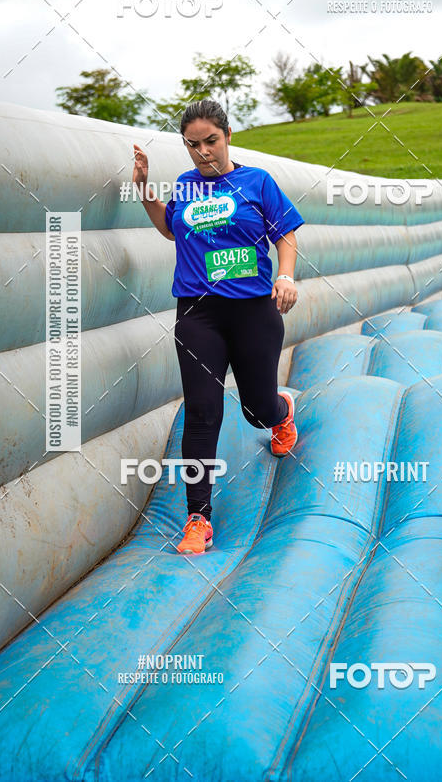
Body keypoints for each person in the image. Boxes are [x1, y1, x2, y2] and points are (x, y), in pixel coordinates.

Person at [132, 99, 304, 555]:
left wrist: (284, 276)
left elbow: (284, 233)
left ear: (228, 136)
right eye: (194, 144)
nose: (204, 151)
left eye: (212, 141)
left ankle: (281, 412)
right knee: (203, 411)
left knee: (256, 411)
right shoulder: (186, 188)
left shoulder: (257, 182)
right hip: (197, 314)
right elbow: (171, 229)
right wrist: (147, 190)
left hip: (253, 311)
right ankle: (198, 518)